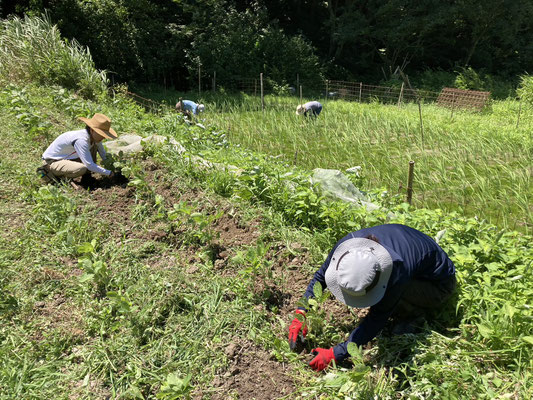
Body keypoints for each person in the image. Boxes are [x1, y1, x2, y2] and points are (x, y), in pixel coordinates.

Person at [288, 224, 456, 372]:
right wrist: (301, 312)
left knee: (396, 298)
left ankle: (413, 315)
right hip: (415, 250)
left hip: (438, 284)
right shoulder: (347, 246)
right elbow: (320, 277)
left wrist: (336, 353)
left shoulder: (397, 270)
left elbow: (377, 318)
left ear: (380, 278)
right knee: (391, 295)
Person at [39, 113, 118, 184]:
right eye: (101, 134)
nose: (103, 137)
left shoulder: (94, 138)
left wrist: (114, 167)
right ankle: (60, 179)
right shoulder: (81, 140)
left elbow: (103, 154)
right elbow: (89, 164)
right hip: (52, 162)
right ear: (92, 130)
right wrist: (109, 173)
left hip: (69, 157)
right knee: (81, 168)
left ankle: (87, 177)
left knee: (94, 147)